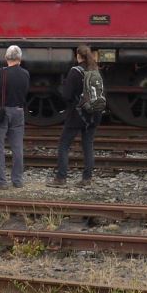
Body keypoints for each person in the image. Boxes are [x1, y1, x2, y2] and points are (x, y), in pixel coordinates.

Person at [50, 44, 101, 188]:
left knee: (64, 145)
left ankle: (61, 178)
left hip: (77, 114)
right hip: (94, 114)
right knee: (88, 146)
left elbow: (67, 95)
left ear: (78, 56)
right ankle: (87, 179)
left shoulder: (75, 71)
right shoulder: (95, 70)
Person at [0, 44, 31, 189]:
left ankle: (1, 181)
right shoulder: (25, 74)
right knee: (18, 147)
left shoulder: (0, 73)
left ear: (6, 57)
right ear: (20, 58)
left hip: (2, 112)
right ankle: (17, 180)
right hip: (19, 111)